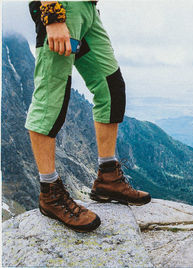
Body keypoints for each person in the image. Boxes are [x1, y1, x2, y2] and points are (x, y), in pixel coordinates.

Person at [26, 0, 151, 232]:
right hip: (62, 8)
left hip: (87, 11)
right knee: (51, 98)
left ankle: (108, 178)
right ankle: (50, 192)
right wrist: (52, 14)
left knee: (111, 89)